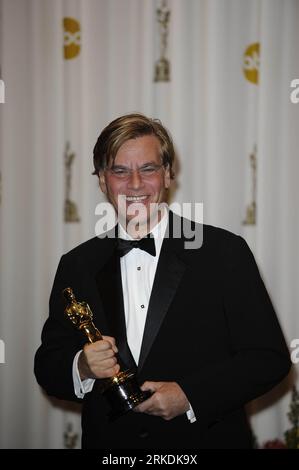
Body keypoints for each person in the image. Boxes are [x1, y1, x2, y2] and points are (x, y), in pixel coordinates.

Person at [34, 113, 291, 449]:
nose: (136, 184)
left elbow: (268, 358)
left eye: (149, 168)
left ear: (169, 174)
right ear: (102, 180)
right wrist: (80, 365)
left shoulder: (223, 253)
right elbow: (49, 364)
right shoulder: (77, 264)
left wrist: (189, 396)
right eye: (120, 171)